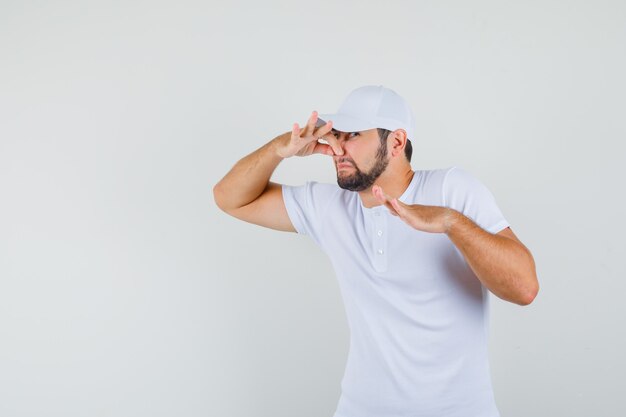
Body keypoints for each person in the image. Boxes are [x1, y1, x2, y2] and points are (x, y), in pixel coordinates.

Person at [213, 85, 539, 417]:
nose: (337, 147)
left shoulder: (451, 189)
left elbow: (524, 288)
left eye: (353, 134)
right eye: (336, 135)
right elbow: (230, 198)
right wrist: (278, 150)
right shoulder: (330, 207)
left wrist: (449, 221)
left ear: (396, 142)